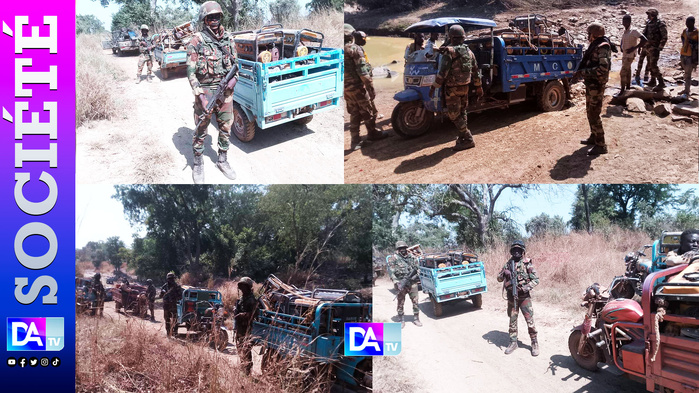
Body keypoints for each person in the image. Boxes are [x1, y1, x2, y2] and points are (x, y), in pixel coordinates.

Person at [186, 1, 239, 183]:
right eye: (210, 17)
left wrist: (232, 81)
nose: (214, 20)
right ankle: (198, 163)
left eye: (217, 16)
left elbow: (236, 67)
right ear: (204, 19)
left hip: (225, 92)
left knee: (226, 127)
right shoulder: (196, 40)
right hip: (205, 92)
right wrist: (199, 94)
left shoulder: (229, 39)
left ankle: (222, 160)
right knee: (201, 128)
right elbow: (191, 72)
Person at [429, 25, 483, 151]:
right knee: (462, 112)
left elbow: (442, 74)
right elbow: (475, 71)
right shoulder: (469, 52)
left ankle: (468, 138)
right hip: (465, 87)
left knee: (453, 115)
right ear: (463, 38)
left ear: (451, 38)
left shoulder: (449, 53)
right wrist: (479, 87)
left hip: (452, 89)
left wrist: (433, 87)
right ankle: (462, 138)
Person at [344, 24, 388, 150]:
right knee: (367, 110)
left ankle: (355, 140)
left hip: (346, 88)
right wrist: (370, 87)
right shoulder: (354, 49)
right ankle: (372, 133)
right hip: (358, 87)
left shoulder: (340, 49)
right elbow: (362, 71)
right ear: (350, 35)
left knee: (354, 112)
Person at [497, 240, 540, 356]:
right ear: (511, 251)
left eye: (519, 250)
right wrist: (504, 274)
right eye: (514, 250)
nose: (516, 252)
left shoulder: (527, 264)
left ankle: (534, 342)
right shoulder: (507, 264)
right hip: (512, 298)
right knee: (512, 321)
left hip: (524, 298)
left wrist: (525, 288)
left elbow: (536, 280)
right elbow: (499, 278)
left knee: (530, 321)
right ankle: (513, 342)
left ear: (522, 252)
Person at [577, 22, 612, 156]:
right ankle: (594, 136)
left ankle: (601, 144)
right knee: (589, 110)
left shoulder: (603, 46)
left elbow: (603, 69)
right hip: (591, 84)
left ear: (595, 34)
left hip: (597, 85)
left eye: (589, 33)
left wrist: (584, 72)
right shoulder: (595, 45)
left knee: (594, 113)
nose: (588, 36)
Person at [388, 241, 422, 328]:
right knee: (400, 302)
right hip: (400, 283)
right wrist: (396, 282)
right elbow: (391, 272)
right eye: (400, 248)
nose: (402, 250)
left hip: (412, 283)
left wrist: (414, 277)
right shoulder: (393, 258)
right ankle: (401, 319)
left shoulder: (412, 257)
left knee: (415, 301)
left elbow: (418, 269)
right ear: (398, 249)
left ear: (406, 248)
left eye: (403, 248)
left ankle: (416, 318)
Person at [233, 277, 257, 375]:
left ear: (248, 287)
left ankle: (247, 370)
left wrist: (244, 315)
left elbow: (254, 313)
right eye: (241, 287)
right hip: (240, 328)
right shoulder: (242, 299)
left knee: (246, 349)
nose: (242, 289)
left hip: (247, 328)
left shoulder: (251, 300)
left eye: (244, 287)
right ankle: (243, 366)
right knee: (240, 349)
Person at [619, 15, 647, 94]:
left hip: (630, 55)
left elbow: (644, 39)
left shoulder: (633, 31)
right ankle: (627, 87)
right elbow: (623, 39)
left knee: (623, 72)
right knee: (627, 71)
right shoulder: (625, 31)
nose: (623, 23)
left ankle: (622, 90)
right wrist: (621, 46)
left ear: (629, 22)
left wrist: (635, 48)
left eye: (625, 21)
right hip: (625, 54)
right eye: (623, 21)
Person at [642, 8, 668, 88]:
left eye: (649, 14)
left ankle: (661, 82)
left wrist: (659, 48)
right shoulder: (649, 23)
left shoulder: (660, 24)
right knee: (649, 64)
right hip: (648, 47)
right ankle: (653, 81)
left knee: (653, 65)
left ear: (653, 15)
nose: (648, 16)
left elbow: (664, 37)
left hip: (655, 48)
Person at [159, 272, 183, 337]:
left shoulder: (177, 286)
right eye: (169, 279)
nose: (171, 280)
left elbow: (180, 296)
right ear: (167, 279)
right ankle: (168, 333)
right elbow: (160, 296)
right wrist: (162, 293)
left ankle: (175, 332)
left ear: (174, 279)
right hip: (166, 305)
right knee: (167, 319)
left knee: (175, 320)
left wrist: (174, 296)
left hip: (173, 305)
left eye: (172, 278)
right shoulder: (164, 286)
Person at [680, 16, 698, 97]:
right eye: (686, 22)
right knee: (686, 73)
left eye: (688, 22)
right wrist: (684, 43)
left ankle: (686, 92)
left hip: (691, 56)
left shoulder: (697, 32)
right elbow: (682, 37)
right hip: (684, 53)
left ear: (693, 23)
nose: (686, 24)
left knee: (688, 74)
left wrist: (694, 43)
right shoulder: (685, 30)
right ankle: (686, 89)